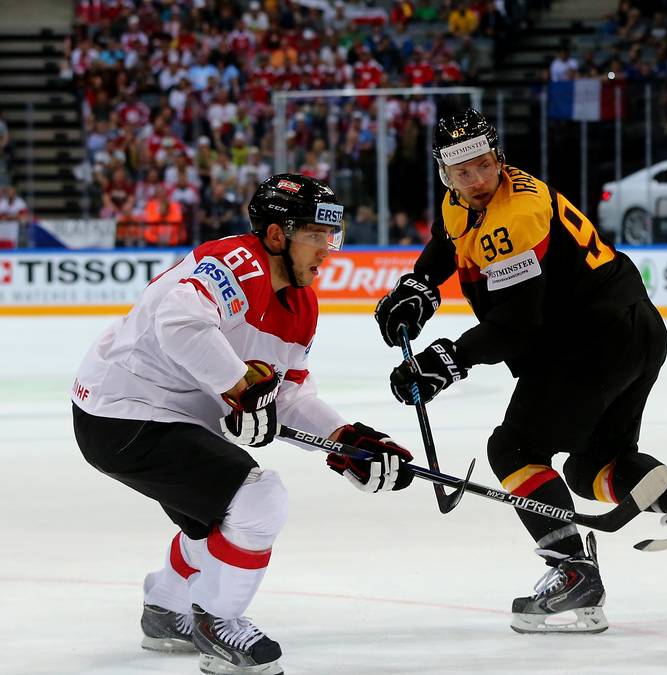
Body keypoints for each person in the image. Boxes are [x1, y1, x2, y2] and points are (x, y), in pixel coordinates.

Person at [374, 109, 667, 634]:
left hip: (589, 342)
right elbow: (446, 239)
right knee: (591, 468)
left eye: (482, 165)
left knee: (515, 450)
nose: (475, 180)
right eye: (461, 171)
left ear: (497, 157)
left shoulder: (514, 217)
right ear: (444, 174)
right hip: (631, 327)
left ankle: (573, 573)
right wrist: (421, 288)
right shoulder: (467, 200)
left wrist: (447, 360)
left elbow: (517, 326)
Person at [71, 174, 415, 675]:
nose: (327, 251)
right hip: (123, 411)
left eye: (331, 237)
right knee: (258, 498)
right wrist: (238, 387)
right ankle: (217, 621)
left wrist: (344, 440)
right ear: (276, 235)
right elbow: (179, 322)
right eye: (315, 236)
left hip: (160, 414)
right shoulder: (238, 263)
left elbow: (289, 392)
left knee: (218, 514)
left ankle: (166, 608)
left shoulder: (301, 302)